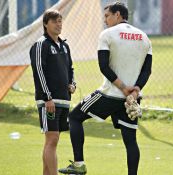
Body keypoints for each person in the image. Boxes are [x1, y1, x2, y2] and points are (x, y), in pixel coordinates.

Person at [58, 2, 152, 175]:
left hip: (110, 94)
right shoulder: (144, 37)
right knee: (130, 140)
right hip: (131, 98)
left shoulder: (107, 34)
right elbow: (147, 70)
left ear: (118, 15)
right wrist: (135, 90)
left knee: (74, 117)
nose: (105, 20)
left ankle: (79, 165)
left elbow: (103, 66)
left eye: (107, 16)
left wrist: (123, 88)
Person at [29, 9, 76, 175]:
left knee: (53, 140)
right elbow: (39, 72)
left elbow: (70, 69)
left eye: (60, 21)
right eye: (55, 21)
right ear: (45, 24)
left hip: (64, 100)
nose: (59, 24)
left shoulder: (65, 45)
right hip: (48, 101)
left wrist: (72, 84)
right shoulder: (41, 44)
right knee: (52, 139)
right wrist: (47, 98)